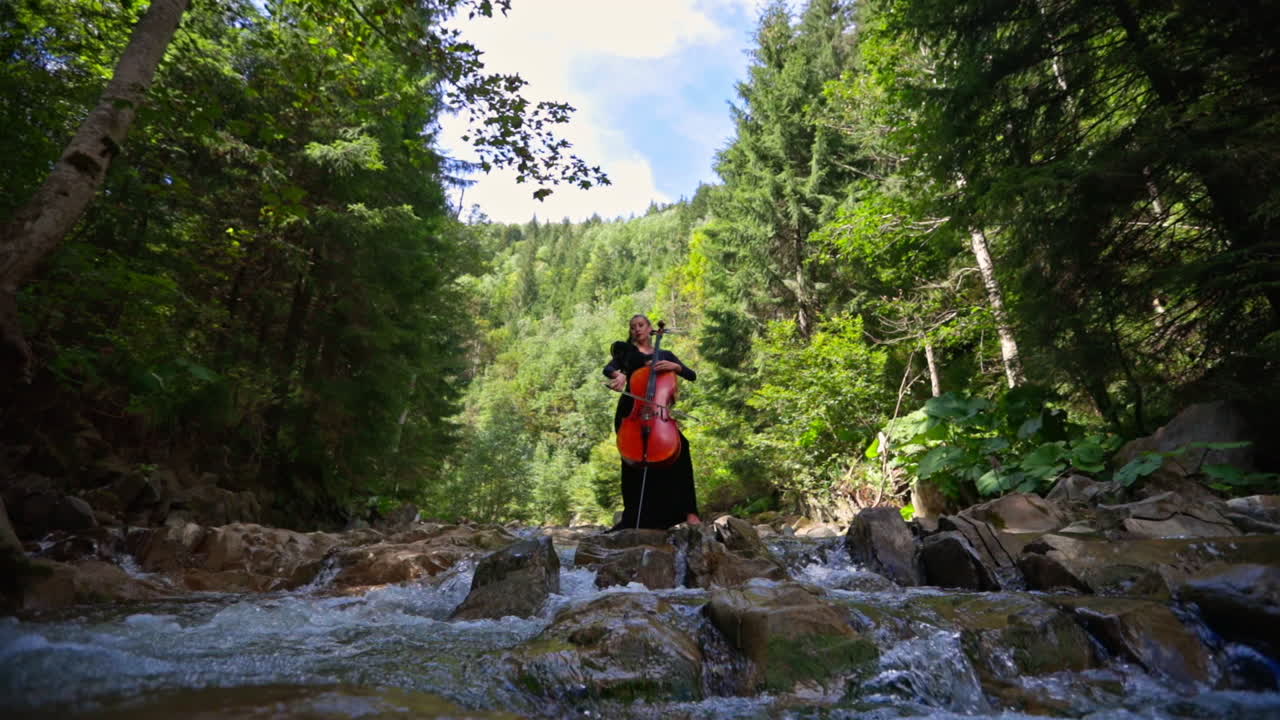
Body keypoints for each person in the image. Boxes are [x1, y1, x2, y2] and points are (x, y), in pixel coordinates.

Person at [602, 314, 701, 530]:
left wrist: (675, 368)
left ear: (649, 329)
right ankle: (633, 517)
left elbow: (691, 375)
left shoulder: (664, 355)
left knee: (681, 450)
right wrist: (619, 375)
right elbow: (608, 369)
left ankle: (689, 512)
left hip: (658, 415)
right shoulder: (627, 353)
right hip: (632, 412)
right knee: (632, 463)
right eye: (632, 327)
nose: (636, 329)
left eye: (640, 325)